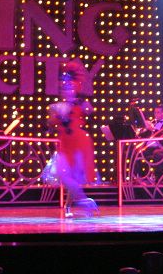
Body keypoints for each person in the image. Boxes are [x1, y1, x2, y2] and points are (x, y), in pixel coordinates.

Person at [46, 59, 98, 217]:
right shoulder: (56, 107)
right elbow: (50, 125)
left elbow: (91, 112)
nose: (67, 90)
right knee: (65, 176)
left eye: (70, 87)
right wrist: (57, 118)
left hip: (78, 143)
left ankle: (78, 203)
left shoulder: (80, 104)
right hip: (65, 145)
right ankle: (81, 202)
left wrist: (82, 106)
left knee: (71, 176)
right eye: (64, 87)